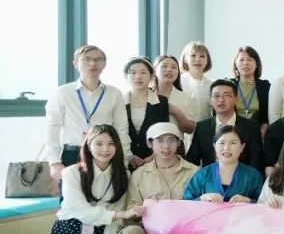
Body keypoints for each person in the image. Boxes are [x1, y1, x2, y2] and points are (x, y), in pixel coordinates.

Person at [49, 124, 141, 234]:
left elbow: (115, 213)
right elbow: (80, 210)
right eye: (99, 143)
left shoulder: (123, 175)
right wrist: (121, 214)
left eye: (111, 144)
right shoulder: (71, 173)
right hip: (71, 231)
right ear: (88, 145)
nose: (105, 149)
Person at [124, 122, 198, 234]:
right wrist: (146, 208)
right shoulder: (139, 175)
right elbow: (131, 209)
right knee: (130, 233)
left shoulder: (194, 172)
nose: (166, 146)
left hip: (183, 232)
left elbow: (200, 207)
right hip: (151, 232)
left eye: (172, 140)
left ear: (179, 143)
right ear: (149, 143)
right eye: (160, 141)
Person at [45, 45, 132, 182]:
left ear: (104, 64)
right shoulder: (62, 92)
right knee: (71, 195)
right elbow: (52, 128)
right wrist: (54, 162)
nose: (93, 63)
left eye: (98, 59)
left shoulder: (114, 93)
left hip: (105, 154)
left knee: (106, 194)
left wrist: (124, 160)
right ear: (76, 63)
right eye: (87, 59)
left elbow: (121, 129)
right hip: (72, 154)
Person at [185, 79, 263, 169]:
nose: (221, 100)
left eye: (226, 95)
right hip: (210, 176)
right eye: (216, 96)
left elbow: (256, 162)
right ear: (210, 100)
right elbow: (192, 161)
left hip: (242, 176)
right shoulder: (202, 127)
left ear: (236, 99)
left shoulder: (251, 127)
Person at [183, 125, 264, 203]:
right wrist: (202, 198)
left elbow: (264, 204)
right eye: (222, 143)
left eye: (233, 143)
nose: (227, 148)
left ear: (242, 147)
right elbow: (186, 202)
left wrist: (249, 201)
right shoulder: (203, 174)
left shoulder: (253, 176)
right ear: (214, 146)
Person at [124, 57, 171, 170]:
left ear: (151, 76)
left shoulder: (162, 102)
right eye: (133, 72)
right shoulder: (119, 101)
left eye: (143, 72)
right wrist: (129, 156)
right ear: (126, 76)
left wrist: (154, 155)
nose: (138, 76)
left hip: (154, 160)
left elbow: (164, 131)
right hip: (124, 161)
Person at [230, 46, 271, 132]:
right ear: (236, 64)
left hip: (258, 133)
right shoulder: (229, 86)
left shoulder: (265, 86)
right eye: (241, 60)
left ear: (257, 64)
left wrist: (264, 128)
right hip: (232, 131)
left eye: (250, 59)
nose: (245, 63)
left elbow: (267, 116)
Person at [152, 54, 196, 135]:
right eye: (164, 66)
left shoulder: (185, 97)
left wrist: (176, 112)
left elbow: (190, 129)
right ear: (154, 71)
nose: (169, 70)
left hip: (176, 141)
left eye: (174, 67)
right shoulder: (146, 95)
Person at [179, 40, 214, 125]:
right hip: (182, 128)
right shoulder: (178, 82)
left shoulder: (212, 84)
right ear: (185, 59)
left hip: (205, 129)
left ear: (207, 60)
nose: (198, 59)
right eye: (193, 55)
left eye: (202, 56)